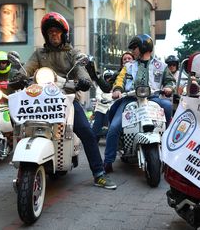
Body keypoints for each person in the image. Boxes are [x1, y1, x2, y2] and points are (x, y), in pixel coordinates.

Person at [13, 12, 117, 190]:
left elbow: (80, 68)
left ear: (64, 34)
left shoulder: (72, 53)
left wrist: (84, 80)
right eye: (50, 32)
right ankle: (24, 168)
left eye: (57, 31)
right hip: (41, 99)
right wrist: (19, 76)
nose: (54, 34)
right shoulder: (39, 53)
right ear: (46, 35)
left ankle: (99, 173)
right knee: (22, 126)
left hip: (66, 99)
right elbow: (28, 67)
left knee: (87, 131)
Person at [103, 34, 175, 172]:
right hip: (129, 99)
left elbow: (170, 81)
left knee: (167, 106)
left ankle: (166, 140)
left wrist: (169, 88)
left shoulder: (161, 65)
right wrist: (117, 90)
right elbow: (120, 80)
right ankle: (108, 160)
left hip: (152, 98)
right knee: (114, 127)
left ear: (143, 47)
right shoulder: (129, 66)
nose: (133, 51)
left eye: (135, 48)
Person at [92, 70, 115, 142]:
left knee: (113, 125)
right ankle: (93, 141)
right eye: (107, 77)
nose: (108, 79)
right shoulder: (100, 86)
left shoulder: (115, 86)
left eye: (110, 77)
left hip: (110, 108)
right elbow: (98, 95)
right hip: (100, 108)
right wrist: (101, 100)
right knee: (97, 124)